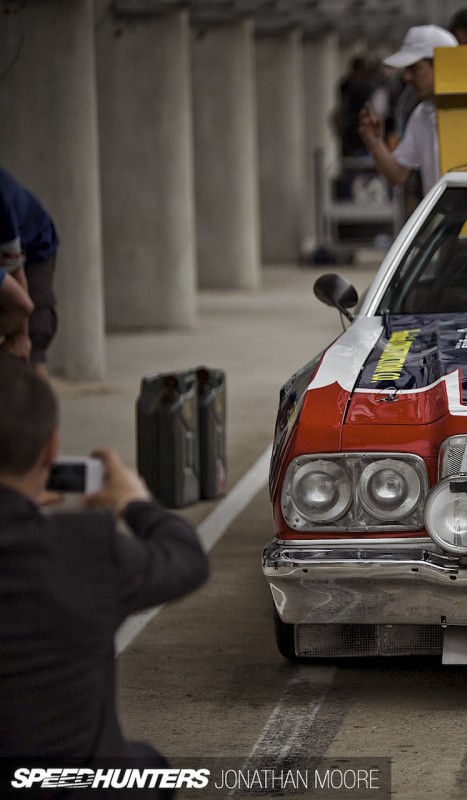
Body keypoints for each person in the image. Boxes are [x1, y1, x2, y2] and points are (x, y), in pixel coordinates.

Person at [0, 357, 209, 779]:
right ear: (51, 451)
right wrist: (133, 502)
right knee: (149, 765)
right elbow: (186, 558)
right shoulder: (82, 548)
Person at [359, 25, 458, 198]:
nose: (407, 77)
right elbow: (397, 175)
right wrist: (374, 142)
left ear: (442, 65)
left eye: (415, 68)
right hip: (443, 214)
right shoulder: (422, 114)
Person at [1, 168, 59, 376]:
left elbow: (19, 286)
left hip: (34, 246)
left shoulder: (2, 201)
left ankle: (37, 390)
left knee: (32, 344)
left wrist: (22, 335)